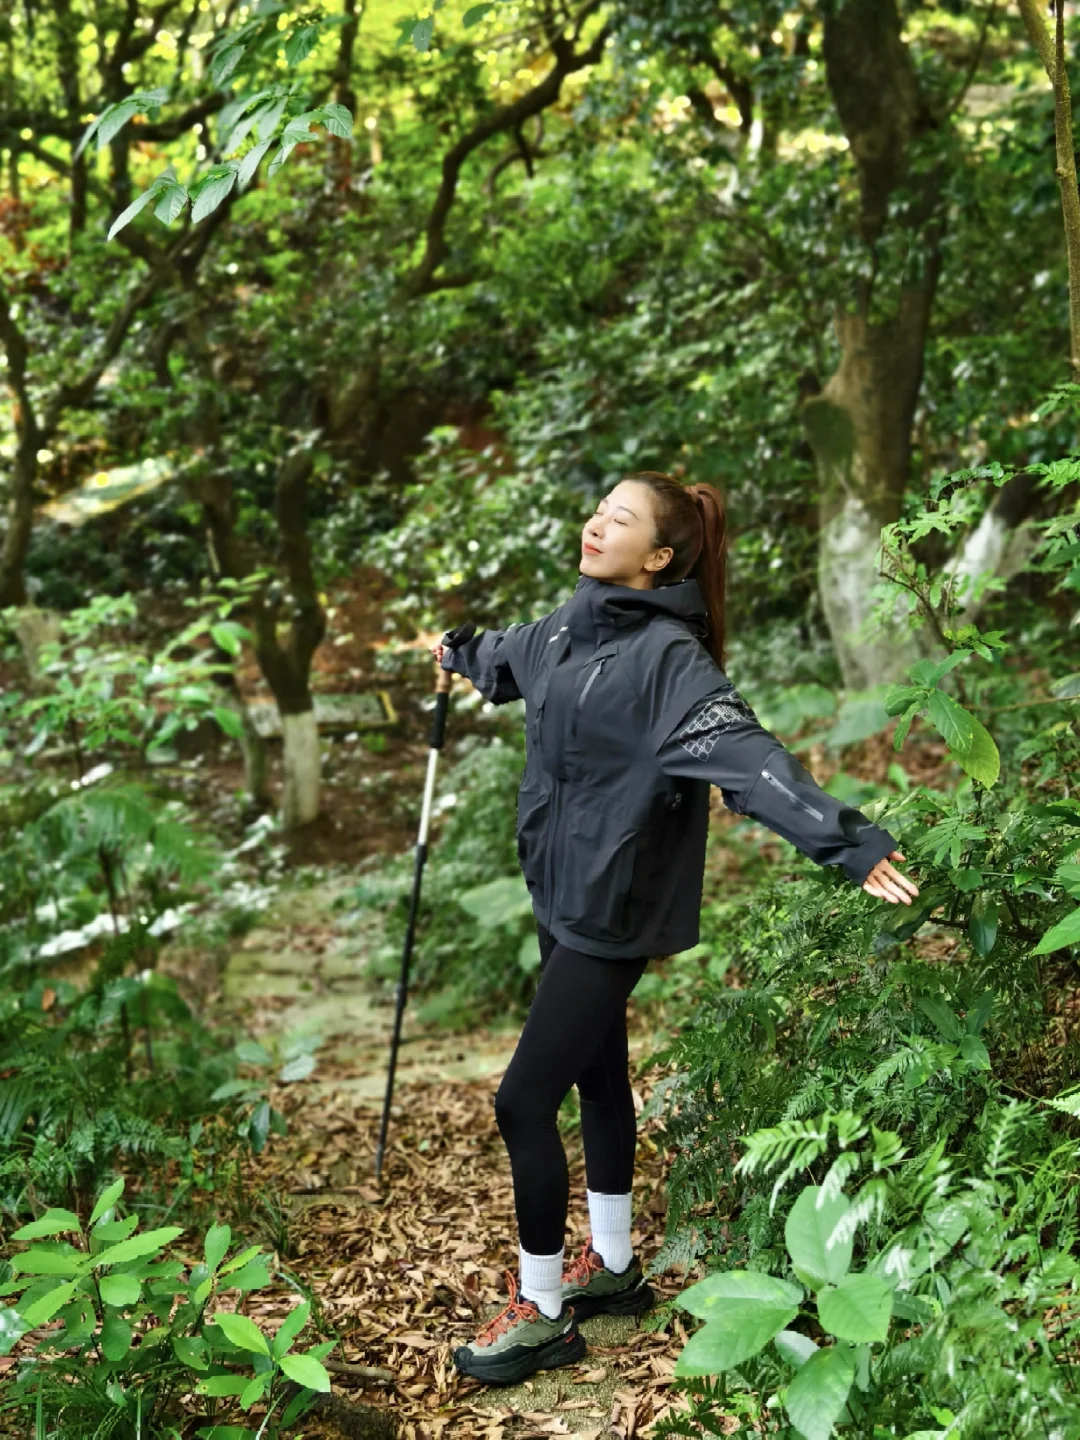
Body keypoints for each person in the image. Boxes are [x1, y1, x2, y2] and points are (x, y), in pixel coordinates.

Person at [430, 472, 919, 1387]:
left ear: (658, 556)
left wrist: (848, 843)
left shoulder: (668, 659)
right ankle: (613, 1269)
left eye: (618, 518)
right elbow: (509, 658)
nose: (595, 523)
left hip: (612, 907)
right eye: (598, 508)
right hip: (559, 889)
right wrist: (459, 653)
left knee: (521, 1103)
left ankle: (539, 1314)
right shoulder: (569, 628)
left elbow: (753, 761)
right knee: (598, 1073)